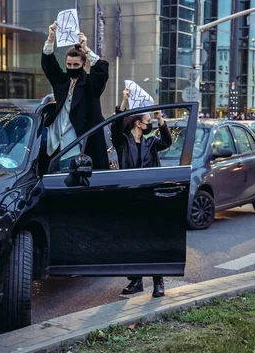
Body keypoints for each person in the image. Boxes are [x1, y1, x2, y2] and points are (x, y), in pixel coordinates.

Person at [112, 87, 172, 297]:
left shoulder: (151, 142)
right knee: (133, 240)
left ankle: (158, 282)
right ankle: (136, 280)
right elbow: (116, 124)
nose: (150, 121)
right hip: (130, 196)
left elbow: (167, 142)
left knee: (153, 239)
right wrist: (124, 100)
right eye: (148, 118)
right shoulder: (122, 142)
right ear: (138, 122)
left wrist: (160, 119)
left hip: (150, 196)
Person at [42, 21, 109, 171]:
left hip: (79, 149)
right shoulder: (62, 81)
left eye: (75, 65)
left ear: (84, 64)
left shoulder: (90, 84)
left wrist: (86, 50)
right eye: (69, 64)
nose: (71, 68)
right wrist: (50, 39)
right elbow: (48, 64)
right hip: (54, 147)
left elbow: (101, 71)